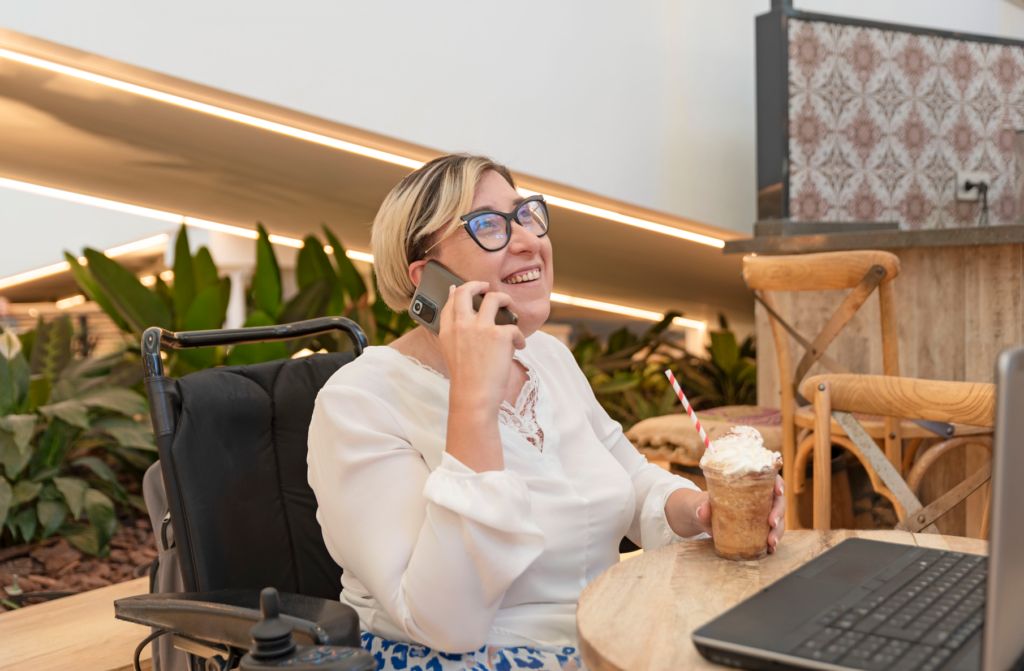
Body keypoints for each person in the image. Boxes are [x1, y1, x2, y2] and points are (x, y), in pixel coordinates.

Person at [307, 154, 786, 671]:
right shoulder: (358, 401)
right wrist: (473, 396)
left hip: (603, 634)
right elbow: (446, 622)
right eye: (488, 225)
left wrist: (702, 510)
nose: (527, 240)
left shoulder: (548, 358)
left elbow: (629, 476)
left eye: (525, 215)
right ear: (429, 280)